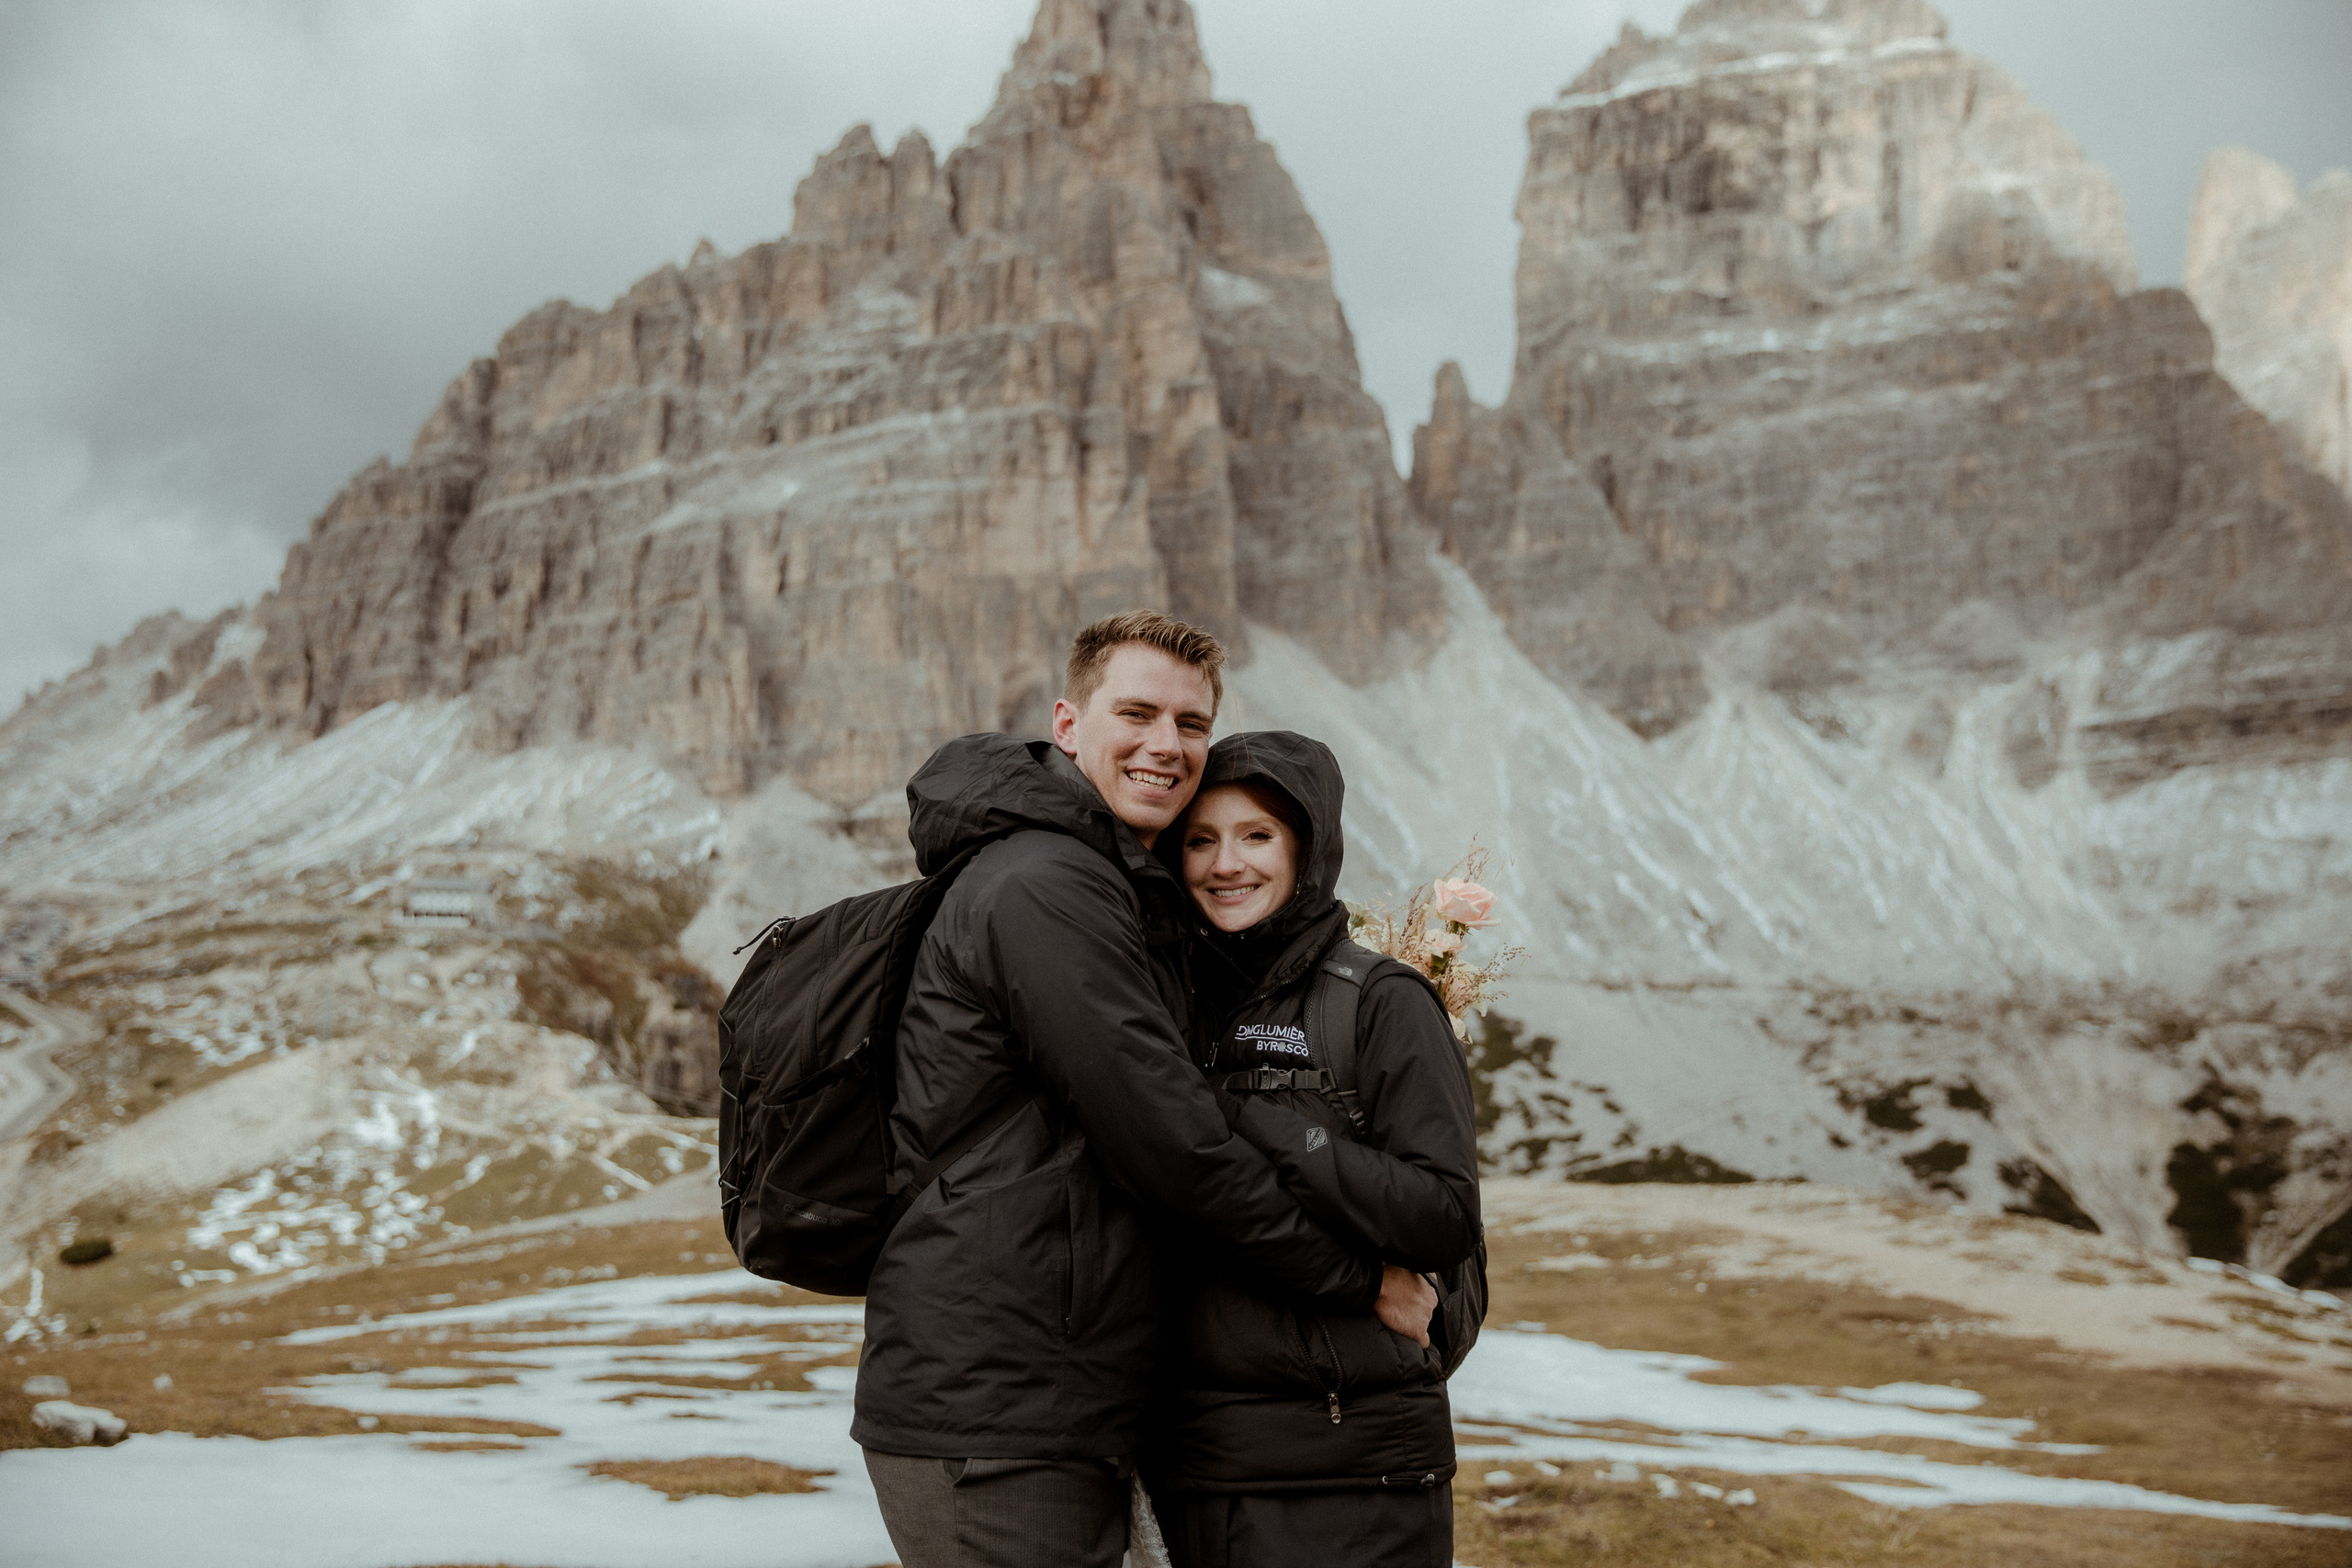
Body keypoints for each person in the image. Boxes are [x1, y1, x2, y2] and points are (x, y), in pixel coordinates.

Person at [854, 613, 1435, 1568]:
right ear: (1068, 723)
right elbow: (1174, 1146)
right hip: (999, 1405)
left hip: (1050, 1391)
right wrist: (1361, 1281)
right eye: (1137, 712)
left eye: (1192, 724)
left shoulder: (1102, 877)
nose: (1167, 746)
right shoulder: (1046, 887)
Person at [1146, 730, 1484, 1568]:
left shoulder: (1380, 1001)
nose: (1227, 863)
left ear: (1308, 847)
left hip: (1354, 1477)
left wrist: (1266, 1121)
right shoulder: (1162, 1006)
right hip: (1196, 1471)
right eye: (1200, 839)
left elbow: (1442, 1216)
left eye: (1256, 835)